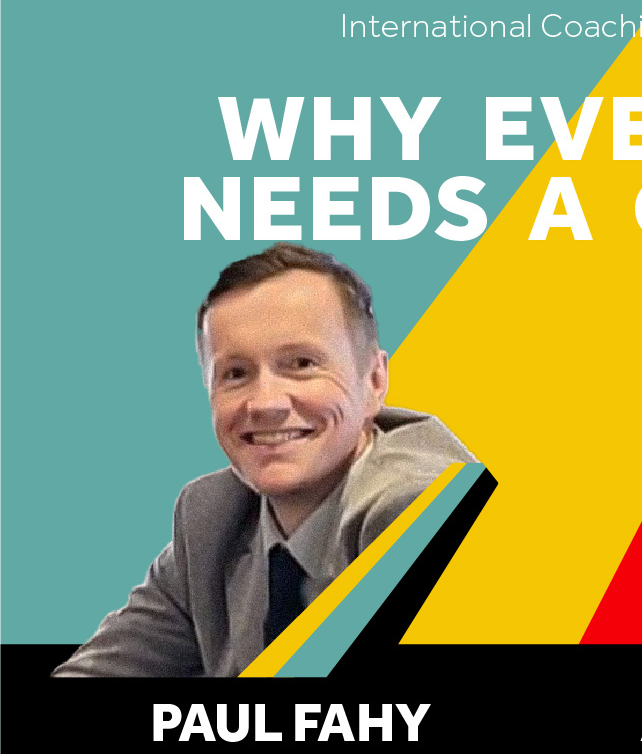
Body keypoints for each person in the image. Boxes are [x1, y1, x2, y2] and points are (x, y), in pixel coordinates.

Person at [54, 243, 476, 677]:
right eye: (235, 373)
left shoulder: (424, 512)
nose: (265, 403)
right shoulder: (210, 520)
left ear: (374, 381)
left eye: (301, 364)